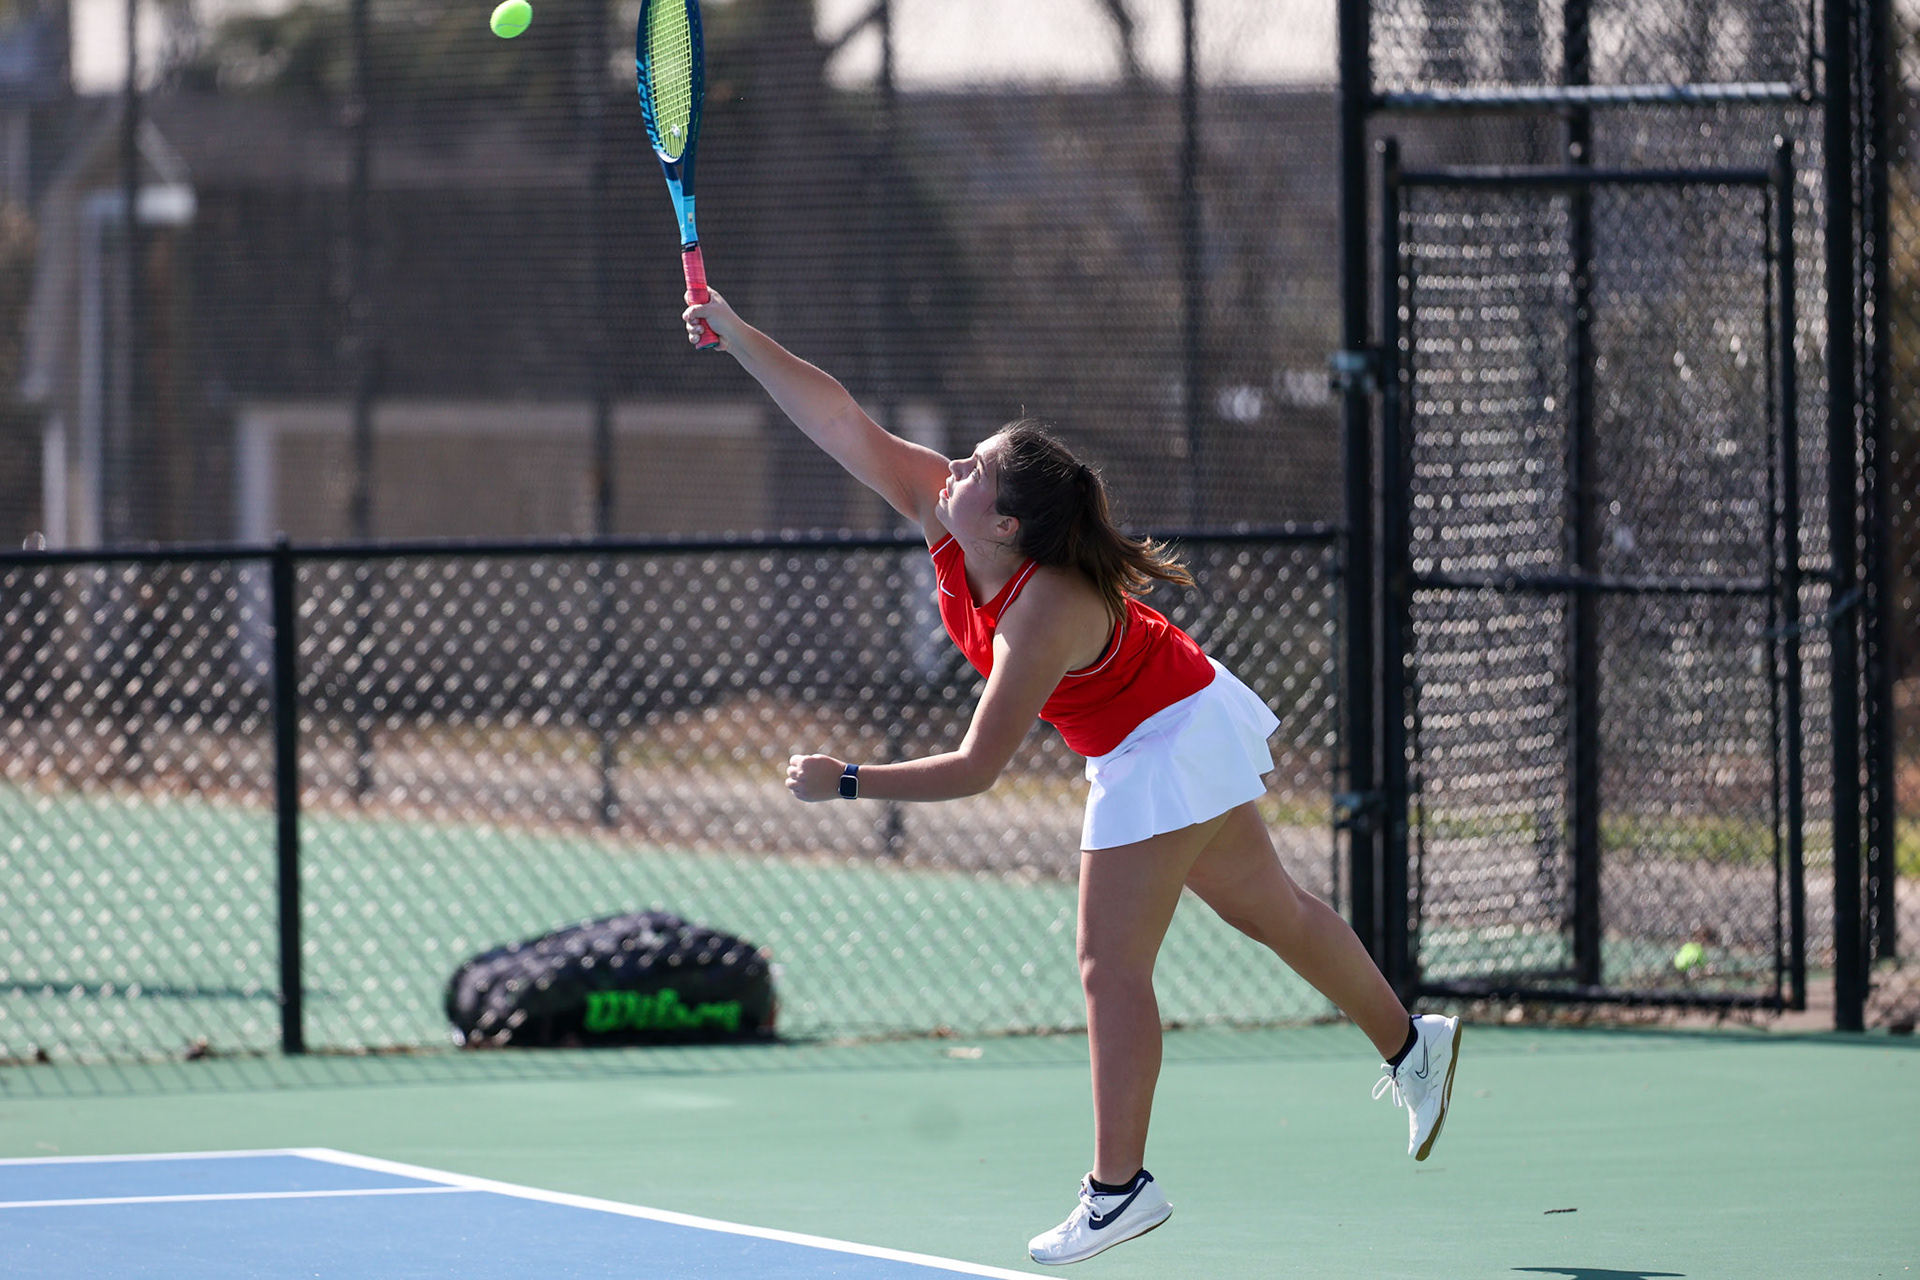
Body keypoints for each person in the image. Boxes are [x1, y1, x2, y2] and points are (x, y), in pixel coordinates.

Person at [682, 289, 1462, 1267]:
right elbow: (838, 416)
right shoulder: (951, 518)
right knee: (1275, 910)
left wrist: (848, 781)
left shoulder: (1040, 609)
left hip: (1163, 739)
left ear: (1006, 521)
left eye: (976, 466)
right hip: (1179, 711)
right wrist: (738, 332)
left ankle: (1118, 1187)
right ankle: (1411, 1044)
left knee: (1111, 962)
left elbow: (974, 770)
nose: (955, 465)